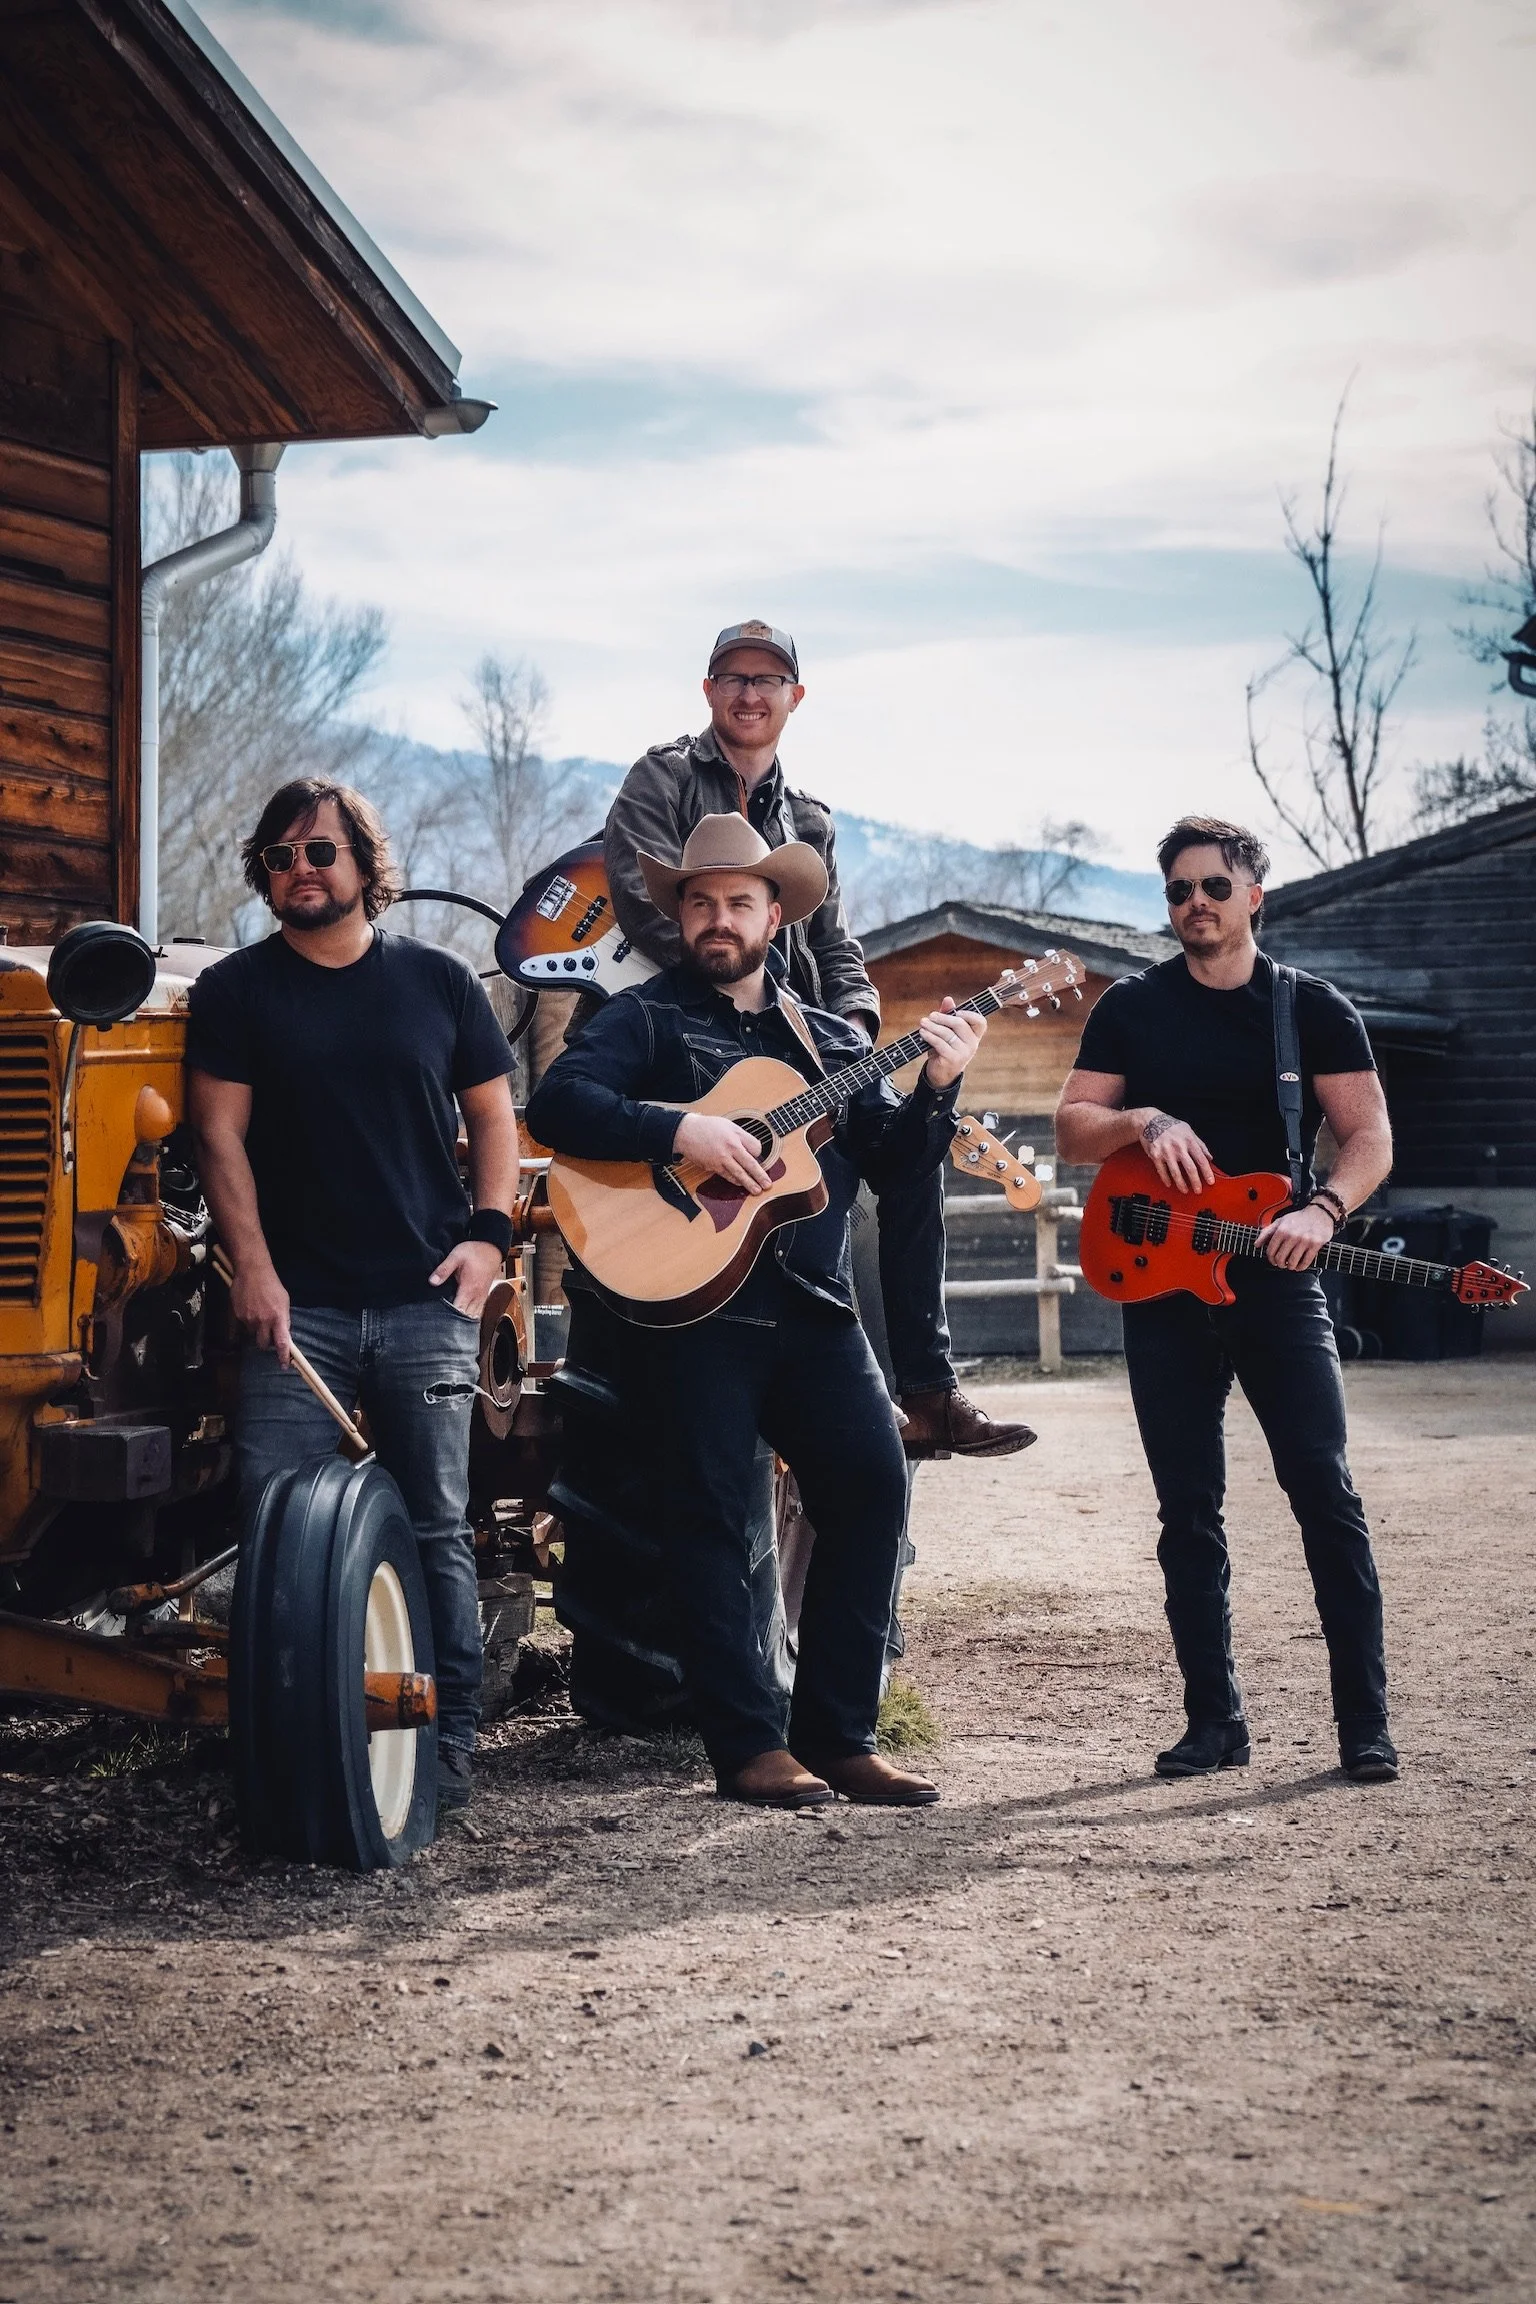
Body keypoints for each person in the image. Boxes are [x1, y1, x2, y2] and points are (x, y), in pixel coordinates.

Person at [528, 812, 989, 1809]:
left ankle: (840, 1736)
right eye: (701, 902)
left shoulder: (827, 1041)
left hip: (813, 1310)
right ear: (682, 915)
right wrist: (683, 1125)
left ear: (775, 915)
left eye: (739, 901)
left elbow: (898, 1172)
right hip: (693, 1316)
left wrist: (940, 1084)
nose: (718, 918)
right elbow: (559, 1107)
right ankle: (745, 1746)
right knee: (704, 1517)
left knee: (871, 1487)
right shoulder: (643, 1021)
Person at [601, 619, 1033, 1463]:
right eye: (733, 677)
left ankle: (926, 1389)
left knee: (910, 1157)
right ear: (709, 691)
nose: (750, 693)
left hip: (804, 1047)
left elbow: (836, 946)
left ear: (795, 697)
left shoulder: (809, 821)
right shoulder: (660, 778)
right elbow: (647, 904)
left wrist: (856, 1045)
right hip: (704, 1034)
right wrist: (744, 1002)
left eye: (768, 680)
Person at [186, 780, 520, 1813]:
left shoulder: (440, 983)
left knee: (433, 1528)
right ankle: (282, 1751)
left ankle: (449, 1746)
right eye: (279, 858)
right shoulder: (238, 992)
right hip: (301, 1314)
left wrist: (488, 1241)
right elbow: (218, 1138)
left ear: (367, 869)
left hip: (427, 1301)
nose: (299, 872)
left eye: (319, 853)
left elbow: (496, 1122)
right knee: (275, 1529)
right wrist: (254, 1269)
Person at [1055, 815, 1399, 1785]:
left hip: (1277, 1277)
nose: (1194, 906)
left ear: (1255, 893)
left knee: (1324, 1495)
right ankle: (1215, 1722)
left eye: (1212, 887)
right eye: (1177, 892)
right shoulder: (1131, 1007)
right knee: (1186, 1512)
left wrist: (1326, 1212)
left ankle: (1364, 1726)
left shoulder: (1311, 1011)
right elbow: (1075, 1130)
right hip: (1161, 1281)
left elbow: (1369, 1136)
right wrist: (1141, 1117)